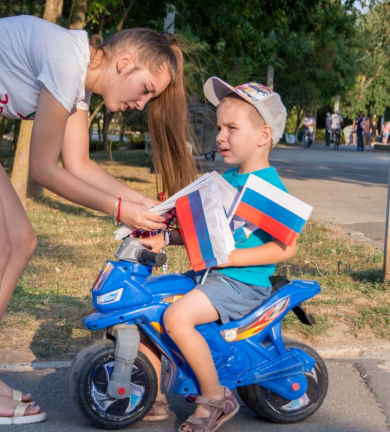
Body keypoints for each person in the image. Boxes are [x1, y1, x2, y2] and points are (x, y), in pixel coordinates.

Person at [0, 15, 196, 425]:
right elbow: (43, 170)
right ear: (125, 62)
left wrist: (144, 204)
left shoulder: (77, 80)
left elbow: (80, 164)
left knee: (21, 241)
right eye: (145, 90)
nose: (141, 105)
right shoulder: (67, 61)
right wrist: (119, 209)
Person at [139, 78, 297, 432]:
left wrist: (232, 258)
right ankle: (153, 395)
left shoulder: (269, 189)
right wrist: (164, 237)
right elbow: (205, 231)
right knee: (150, 306)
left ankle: (215, 397)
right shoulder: (228, 179)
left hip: (242, 284)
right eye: (219, 127)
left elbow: (287, 247)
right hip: (214, 277)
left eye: (231, 128)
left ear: (263, 135)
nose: (220, 136)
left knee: (177, 317)